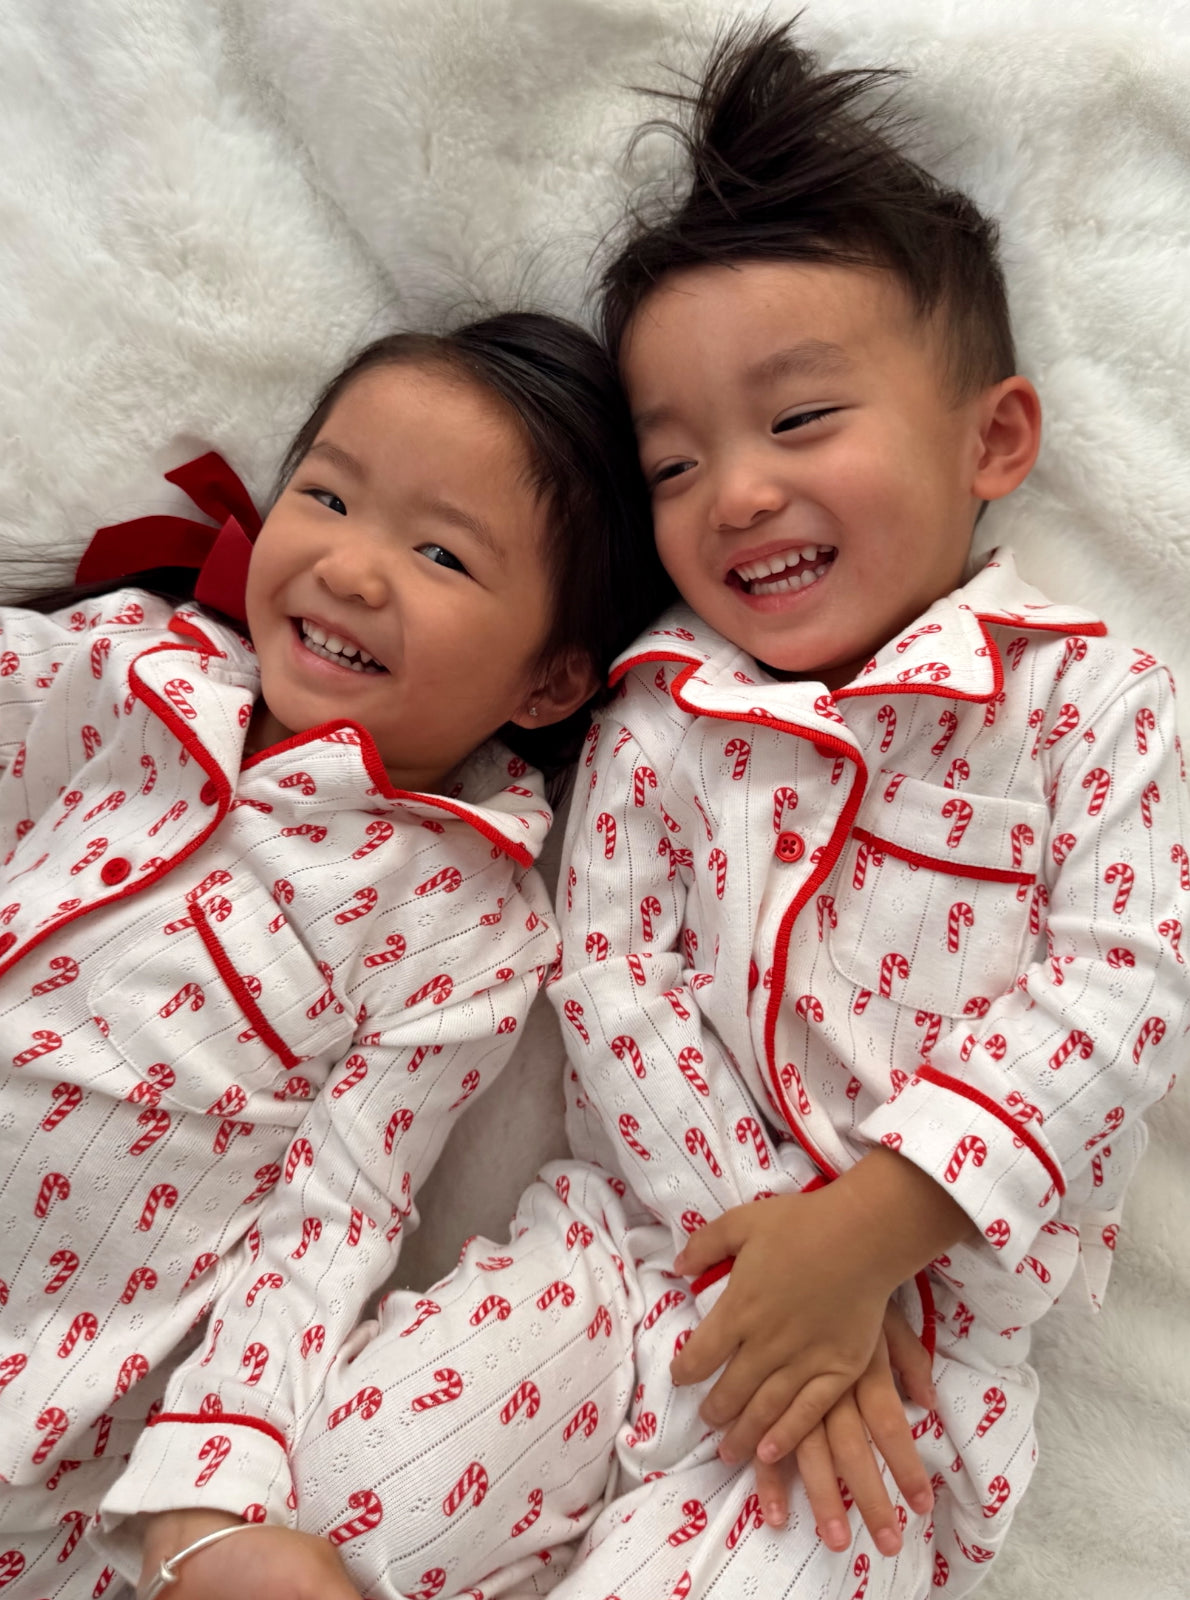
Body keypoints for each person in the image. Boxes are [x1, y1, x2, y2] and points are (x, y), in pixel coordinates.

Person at [543, 19, 1190, 1599]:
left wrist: (869, 1237)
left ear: (993, 439)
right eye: (670, 466)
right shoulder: (659, 710)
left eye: (798, 421)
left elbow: (1121, 988)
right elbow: (610, 978)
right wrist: (774, 1255)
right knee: (343, 1498)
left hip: (910, 1360)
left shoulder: (1087, 702)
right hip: (622, 1262)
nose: (734, 494)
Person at [0, 311, 667, 1599]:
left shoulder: (461, 920)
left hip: (47, 1416)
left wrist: (208, 1506)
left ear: (546, 683)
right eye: (328, 496)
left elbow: (334, 1216)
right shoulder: (141, 670)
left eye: (440, 553)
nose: (354, 569)